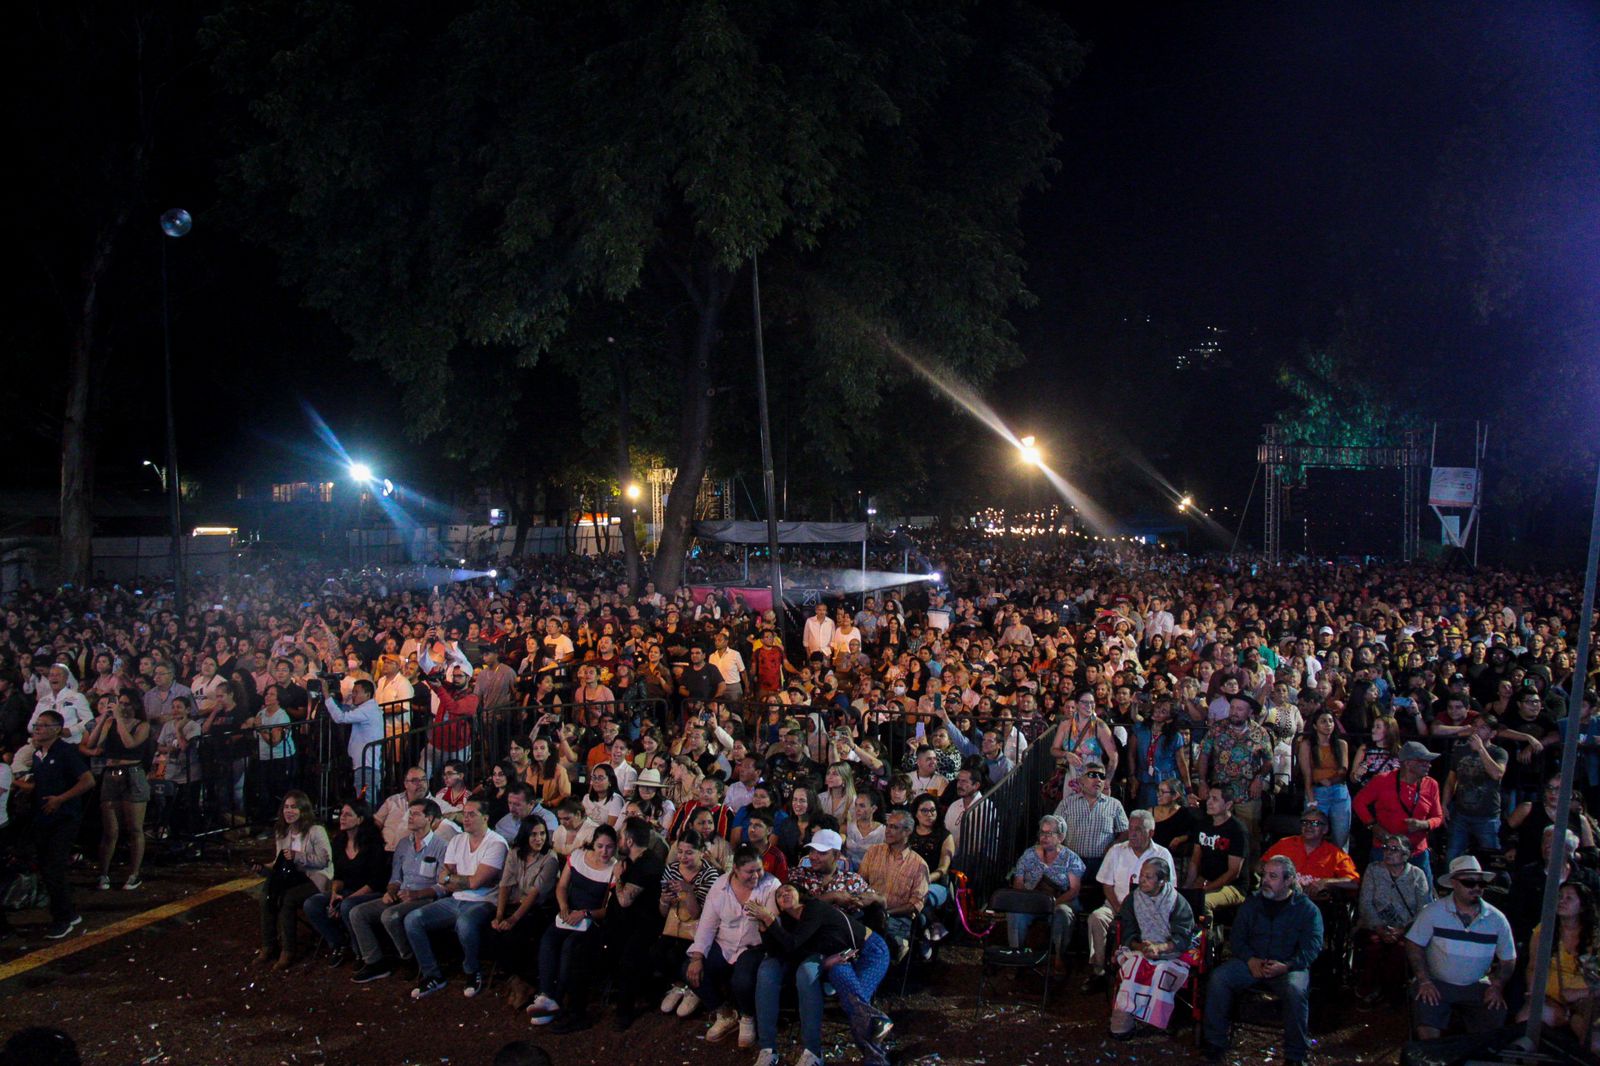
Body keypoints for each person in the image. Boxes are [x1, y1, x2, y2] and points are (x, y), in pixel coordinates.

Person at [749, 884, 895, 1066]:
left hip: (869, 950)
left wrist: (770, 921)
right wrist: (765, 930)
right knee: (847, 990)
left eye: (788, 890)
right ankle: (877, 1024)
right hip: (842, 958)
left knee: (855, 1001)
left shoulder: (813, 909)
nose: (783, 894)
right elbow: (785, 951)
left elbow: (793, 944)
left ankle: (876, 1057)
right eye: (779, 895)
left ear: (799, 894)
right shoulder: (790, 922)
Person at [1201, 855, 1324, 1065]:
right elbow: (1238, 937)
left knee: (1296, 989)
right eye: (1264, 875)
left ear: (1288, 881)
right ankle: (1215, 1043)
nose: (1265, 880)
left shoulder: (1307, 910)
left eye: (1273, 876)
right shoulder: (1252, 903)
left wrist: (1287, 966)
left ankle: (1295, 1055)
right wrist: (1250, 960)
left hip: (1287, 966)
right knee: (1220, 978)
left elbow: (1312, 947)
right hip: (1252, 962)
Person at [403, 797, 507, 999]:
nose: (466, 819)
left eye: (471, 815)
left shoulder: (496, 843)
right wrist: (458, 879)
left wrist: (454, 878)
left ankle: (472, 970)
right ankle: (431, 974)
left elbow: (476, 883)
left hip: (484, 901)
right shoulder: (458, 840)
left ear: (485, 818)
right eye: (464, 814)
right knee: (413, 919)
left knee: (466, 923)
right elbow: (444, 877)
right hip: (455, 899)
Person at [1406, 855, 1517, 1040]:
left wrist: (1497, 985)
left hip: (1478, 985)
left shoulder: (1497, 919)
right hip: (1437, 983)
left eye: (1480, 884)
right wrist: (1424, 980)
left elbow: (1508, 958)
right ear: (1454, 883)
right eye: (1469, 883)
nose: (1476, 888)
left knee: (1493, 1025)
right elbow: (1413, 944)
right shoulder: (1433, 912)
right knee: (1427, 1025)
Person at [682, 845, 781, 1048]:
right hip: (724, 942)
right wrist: (698, 957)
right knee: (689, 970)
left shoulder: (771, 885)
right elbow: (707, 925)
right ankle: (724, 1013)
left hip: (754, 946)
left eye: (759, 870)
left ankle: (747, 1017)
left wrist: (764, 916)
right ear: (735, 869)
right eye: (750, 871)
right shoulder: (720, 886)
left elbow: (774, 926)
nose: (756, 876)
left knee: (742, 981)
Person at [349, 798, 454, 983]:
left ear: (429, 818)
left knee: (390, 916)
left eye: (415, 814)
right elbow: (396, 877)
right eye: (410, 813)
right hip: (402, 893)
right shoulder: (404, 844)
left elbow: (442, 886)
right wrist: (391, 891)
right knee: (358, 913)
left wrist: (416, 895)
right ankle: (374, 961)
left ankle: (410, 958)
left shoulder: (441, 846)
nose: (410, 817)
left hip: (424, 897)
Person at [527, 824, 620, 1025]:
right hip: (569, 913)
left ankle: (557, 997)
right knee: (549, 939)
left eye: (609, 847)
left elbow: (609, 908)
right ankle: (545, 992)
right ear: (593, 844)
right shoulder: (578, 857)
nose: (604, 851)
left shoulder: (613, 869)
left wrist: (585, 913)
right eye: (600, 846)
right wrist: (564, 906)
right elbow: (562, 886)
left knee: (571, 947)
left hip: (590, 920)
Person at [19, 711, 95, 938]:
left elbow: (88, 780)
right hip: (44, 818)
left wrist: (61, 799)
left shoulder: (66, 753)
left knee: (54, 867)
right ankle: (68, 913)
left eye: (43, 725)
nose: (38, 729)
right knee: (46, 866)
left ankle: (63, 918)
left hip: (64, 819)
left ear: (56, 729)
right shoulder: (38, 755)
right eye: (37, 725)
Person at [1109, 855, 1198, 1037]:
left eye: (1149, 877)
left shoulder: (1177, 902)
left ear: (1162, 881)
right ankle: (1123, 1023)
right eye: (1141, 875)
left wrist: (1160, 948)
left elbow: (1183, 936)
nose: (1142, 880)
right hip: (1140, 949)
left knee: (1160, 972)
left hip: (1171, 952)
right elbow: (1128, 931)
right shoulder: (1132, 900)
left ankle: (1155, 1021)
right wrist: (1141, 947)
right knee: (1134, 969)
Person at [1087, 809, 1175, 989]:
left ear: (1150, 833)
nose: (1132, 833)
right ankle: (1100, 971)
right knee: (1096, 918)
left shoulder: (1162, 854)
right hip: (1115, 906)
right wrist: (1119, 909)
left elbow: (1169, 889)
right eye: (1130, 828)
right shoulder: (1117, 851)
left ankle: (1139, 976)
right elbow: (1107, 885)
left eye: (1138, 829)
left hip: (1150, 912)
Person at [1517, 881, 1600, 1054]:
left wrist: (1580, 993)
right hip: (1551, 999)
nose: (1561, 901)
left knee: (1594, 1044)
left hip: (1586, 1003)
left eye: (1569, 898)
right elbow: (1533, 967)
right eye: (1559, 897)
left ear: (1583, 906)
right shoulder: (1544, 931)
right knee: (1525, 1023)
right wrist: (1534, 994)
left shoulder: (1596, 936)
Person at [302, 800, 389, 966]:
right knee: (312, 904)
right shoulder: (339, 842)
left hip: (370, 891)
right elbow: (338, 875)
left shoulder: (373, 845)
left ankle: (361, 953)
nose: (342, 817)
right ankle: (338, 943)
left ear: (360, 819)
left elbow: (375, 881)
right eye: (341, 813)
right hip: (347, 890)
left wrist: (345, 900)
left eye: (348, 814)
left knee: (347, 906)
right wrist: (335, 894)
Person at [82, 691, 153, 891]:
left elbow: (129, 743)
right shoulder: (109, 723)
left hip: (133, 773)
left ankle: (134, 873)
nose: (123, 707)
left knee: (134, 828)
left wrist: (120, 720)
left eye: (127, 703)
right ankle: (103, 873)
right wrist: (105, 717)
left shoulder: (142, 726)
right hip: (111, 774)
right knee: (110, 830)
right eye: (120, 703)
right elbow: (91, 743)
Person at [1353, 740, 1445, 891]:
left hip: (1417, 852)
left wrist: (1424, 825)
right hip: (1385, 850)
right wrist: (1372, 825)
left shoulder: (1431, 784)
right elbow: (1358, 802)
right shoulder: (1382, 780)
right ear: (1408, 763)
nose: (1429, 765)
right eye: (1424, 762)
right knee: (1380, 895)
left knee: (1424, 896)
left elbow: (1438, 817)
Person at [256, 790, 332, 970]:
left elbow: (324, 860)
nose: (289, 811)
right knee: (267, 894)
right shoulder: (282, 832)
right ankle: (268, 945)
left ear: (303, 810)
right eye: (286, 807)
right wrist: (262, 868)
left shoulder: (316, 831)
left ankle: (288, 950)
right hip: (291, 878)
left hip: (314, 878)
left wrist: (298, 856)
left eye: (294, 807)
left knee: (287, 899)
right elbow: (278, 861)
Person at [1355, 831, 1433, 1007]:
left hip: (1406, 929)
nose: (1388, 852)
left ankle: (1392, 992)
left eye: (1394, 849)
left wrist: (1403, 930)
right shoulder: (1374, 870)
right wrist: (1380, 928)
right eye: (1386, 848)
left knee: (1400, 950)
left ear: (1406, 854)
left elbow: (1423, 909)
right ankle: (1370, 988)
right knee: (1374, 946)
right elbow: (1365, 903)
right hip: (1375, 926)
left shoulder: (1417, 875)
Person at [1007, 814, 1085, 975]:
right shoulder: (1029, 854)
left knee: (1063, 914)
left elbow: (1074, 889)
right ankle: (1017, 957)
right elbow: (1018, 881)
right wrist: (1025, 897)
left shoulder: (1071, 858)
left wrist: (1053, 903)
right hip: (1031, 901)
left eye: (1050, 833)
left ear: (1061, 837)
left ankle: (1058, 958)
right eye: (1042, 832)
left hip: (1059, 901)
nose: (1044, 837)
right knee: (1015, 914)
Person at [487, 816, 561, 986]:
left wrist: (512, 919)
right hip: (517, 903)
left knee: (512, 935)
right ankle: (511, 974)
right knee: (491, 929)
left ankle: (524, 979)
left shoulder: (550, 858)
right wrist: (499, 915)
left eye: (542, 834)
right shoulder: (515, 853)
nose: (539, 838)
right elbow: (504, 885)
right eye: (534, 834)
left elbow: (535, 894)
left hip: (539, 908)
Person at [1441, 712, 1509, 860]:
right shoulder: (1460, 750)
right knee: (1453, 856)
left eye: (1483, 727)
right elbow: (1451, 779)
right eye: (1475, 726)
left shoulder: (1498, 752)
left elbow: (1497, 774)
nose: (1477, 730)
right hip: (1461, 814)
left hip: (1487, 816)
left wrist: (1480, 749)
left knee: (1492, 857)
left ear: (1492, 733)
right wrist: (1444, 803)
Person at [1262, 806, 1360, 901]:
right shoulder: (1285, 843)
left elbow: (1354, 882)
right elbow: (1260, 866)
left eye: (1315, 823)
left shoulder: (1335, 854)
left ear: (1325, 829)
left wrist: (1326, 882)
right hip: (1281, 900)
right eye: (1305, 822)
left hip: (1317, 905)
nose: (1308, 826)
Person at [1183, 789, 1248, 915]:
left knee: (1203, 903)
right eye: (1208, 798)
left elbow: (1233, 873)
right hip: (1205, 880)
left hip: (1233, 887)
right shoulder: (1203, 824)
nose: (1209, 802)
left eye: (1215, 799)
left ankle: (1208, 935)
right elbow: (1195, 860)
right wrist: (1187, 887)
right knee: (1182, 898)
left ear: (1228, 805)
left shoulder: (1237, 830)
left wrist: (1206, 889)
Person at [321, 678, 385, 800]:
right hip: (366, 766)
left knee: (365, 801)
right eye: (353, 692)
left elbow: (340, 718)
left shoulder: (367, 710)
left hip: (366, 767)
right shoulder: (369, 709)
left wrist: (326, 696)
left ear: (367, 694)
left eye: (356, 692)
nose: (353, 695)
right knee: (365, 800)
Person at [1297, 708, 1351, 850]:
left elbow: (1343, 769)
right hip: (1317, 792)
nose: (1328, 724)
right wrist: (1311, 800)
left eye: (1331, 721)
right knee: (1313, 835)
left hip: (1338, 791)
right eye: (1323, 721)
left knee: (1341, 837)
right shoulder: (1307, 745)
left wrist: (1330, 780)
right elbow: (1307, 775)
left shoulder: (1341, 744)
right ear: (1315, 726)